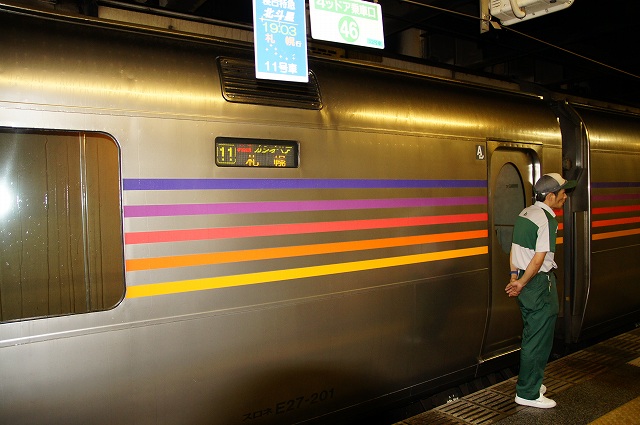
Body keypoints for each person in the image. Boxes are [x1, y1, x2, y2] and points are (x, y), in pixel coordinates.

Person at [505, 172, 576, 409]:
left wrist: (514, 277)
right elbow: (538, 260)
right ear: (551, 196)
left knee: (531, 334)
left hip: (525, 282)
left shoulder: (525, 213)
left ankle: (532, 382)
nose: (565, 197)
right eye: (563, 193)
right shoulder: (547, 220)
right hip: (538, 284)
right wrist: (523, 282)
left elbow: (514, 250)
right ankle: (528, 393)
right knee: (539, 339)